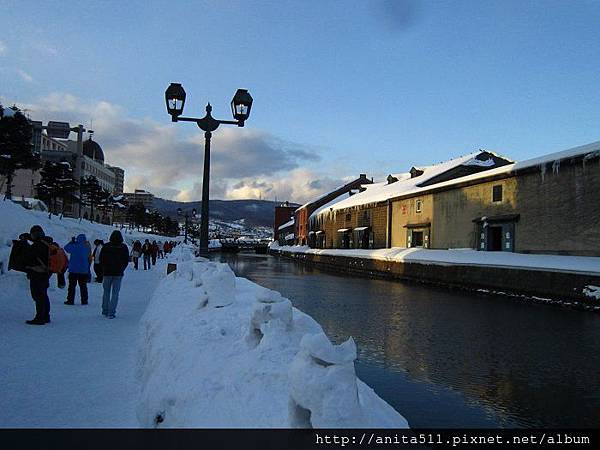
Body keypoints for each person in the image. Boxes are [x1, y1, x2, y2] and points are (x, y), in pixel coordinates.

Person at [22, 225, 51, 325]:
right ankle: (46, 316)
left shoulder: (37, 246)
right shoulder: (47, 242)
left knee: (38, 296)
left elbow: (28, 257)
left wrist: (24, 243)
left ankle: (40, 317)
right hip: (46, 273)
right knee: (43, 294)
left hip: (37, 273)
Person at [99, 230, 129, 319]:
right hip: (118, 273)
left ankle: (105, 310)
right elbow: (126, 260)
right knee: (115, 293)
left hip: (107, 272)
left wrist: (104, 268)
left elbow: (101, 258)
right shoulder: (123, 247)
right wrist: (122, 268)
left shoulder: (106, 246)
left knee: (106, 292)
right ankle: (111, 312)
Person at [64, 234, 91, 305]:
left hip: (73, 270)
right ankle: (84, 300)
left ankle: (70, 300)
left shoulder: (74, 246)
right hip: (83, 270)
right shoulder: (86, 247)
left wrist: (71, 242)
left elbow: (66, 248)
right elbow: (88, 254)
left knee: (72, 286)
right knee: (83, 286)